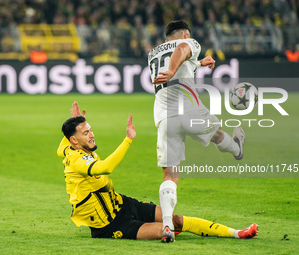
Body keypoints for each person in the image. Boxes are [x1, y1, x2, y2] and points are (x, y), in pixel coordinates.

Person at [57, 102, 258, 241]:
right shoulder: (75, 160)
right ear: (74, 141)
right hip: (110, 225)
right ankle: (163, 232)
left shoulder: (67, 146)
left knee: (174, 219)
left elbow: (67, 141)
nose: (92, 135)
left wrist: (75, 120)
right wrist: (128, 140)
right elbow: (105, 168)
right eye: (86, 133)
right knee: (167, 229)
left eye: (91, 129)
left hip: (122, 204)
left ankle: (237, 233)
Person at [148, 20, 246, 242]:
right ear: (185, 35)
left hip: (165, 117)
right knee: (218, 134)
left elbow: (180, 58)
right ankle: (237, 149)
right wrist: (175, 69)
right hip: (190, 111)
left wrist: (199, 63)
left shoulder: (153, 54)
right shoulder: (188, 42)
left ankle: (166, 226)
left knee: (170, 175)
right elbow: (182, 51)